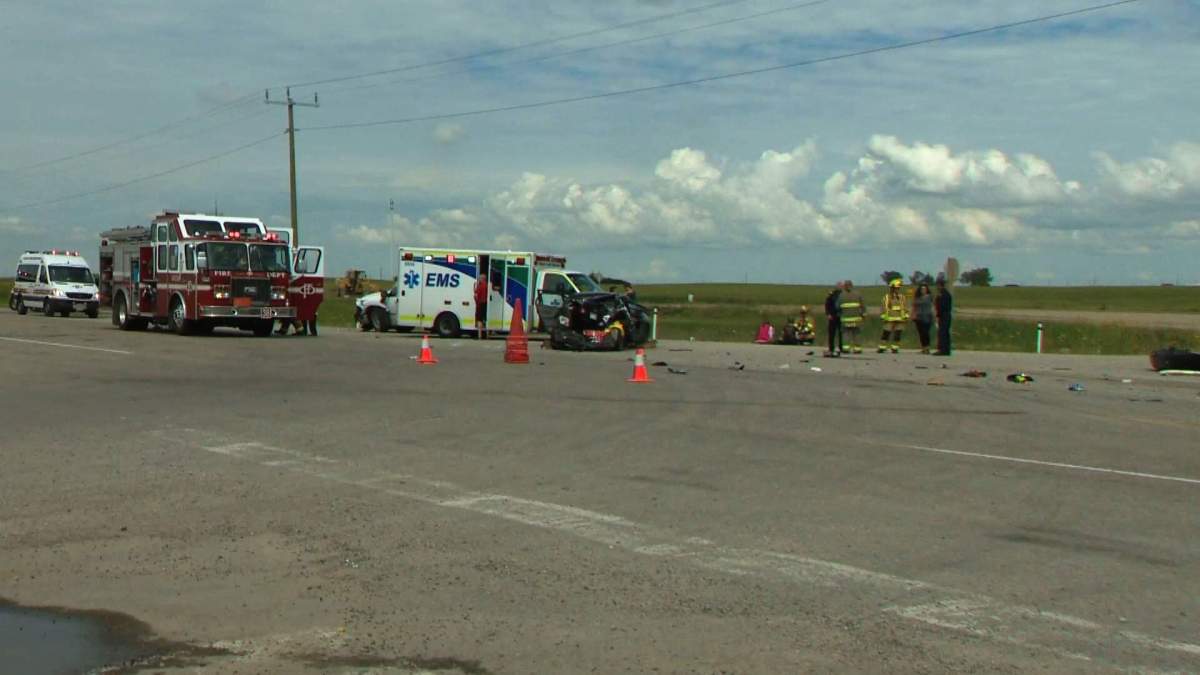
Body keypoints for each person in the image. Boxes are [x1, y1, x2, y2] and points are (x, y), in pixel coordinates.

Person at [878, 278, 909, 354]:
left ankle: (895, 348)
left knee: (898, 334)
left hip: (900, 319)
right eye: (896, 288)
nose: (897, 290)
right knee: (886, 333)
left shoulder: (902, 297)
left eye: (898, 288)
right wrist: (883, 316)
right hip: (889, 319)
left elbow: (905, 307)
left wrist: (906, 316)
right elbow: (883, 307)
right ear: (892, 288)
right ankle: (882, 347)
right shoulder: (887, 297)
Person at [837, 280, 865, 354]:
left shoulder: (841, 295)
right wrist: (863, 315)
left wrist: (839, 314)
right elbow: (863, 306)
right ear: (852, 286)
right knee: (856, 333)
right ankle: (857, 349)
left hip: (845, 319)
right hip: (856, 319)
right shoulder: (858, 294)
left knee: (846, 334)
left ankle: (846, 348)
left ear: (844, 286)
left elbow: (837, 307)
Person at [911, 282, 934, 354]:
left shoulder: (928, 297)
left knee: (925, 333)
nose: (923, 290)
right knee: (921, 333)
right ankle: (923, 348)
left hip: (927, 316)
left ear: (927, 290)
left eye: (924, 289)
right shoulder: (917, 297)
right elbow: (914, 304)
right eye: (922, 289)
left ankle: (927, 347)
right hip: (919, 317)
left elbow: (920, 302)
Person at [824, 282, 844, 357]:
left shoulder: (844, 295)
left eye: (841, 286)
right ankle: (831, 348)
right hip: (833, 316)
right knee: (831, 333)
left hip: (841, 316)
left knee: (841, 333)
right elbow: (827, 304)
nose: (840, 287)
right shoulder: (831, 294)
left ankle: (841, 347)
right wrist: (828, 314)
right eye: (839, 286)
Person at [935, 277, 953, 356]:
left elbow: (942, 306)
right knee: (944, 333)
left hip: (944, 316)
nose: (937, 287)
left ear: (940, 285)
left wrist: (938, 314)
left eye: (937, 285)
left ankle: (943, 350)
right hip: (945, 315)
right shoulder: (944, 293)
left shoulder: (944, 294)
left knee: (942, 333)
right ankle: (946, 350)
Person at [474, 270, 489, 339]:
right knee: (485, 320)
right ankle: (486, 334)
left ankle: (479, 335)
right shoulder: (487, 285)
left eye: (479, 278)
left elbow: (476, 295)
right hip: (486, 304)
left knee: (479, 320)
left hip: (480, 304)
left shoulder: (479, 286)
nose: (479, 279)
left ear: (482, 279)